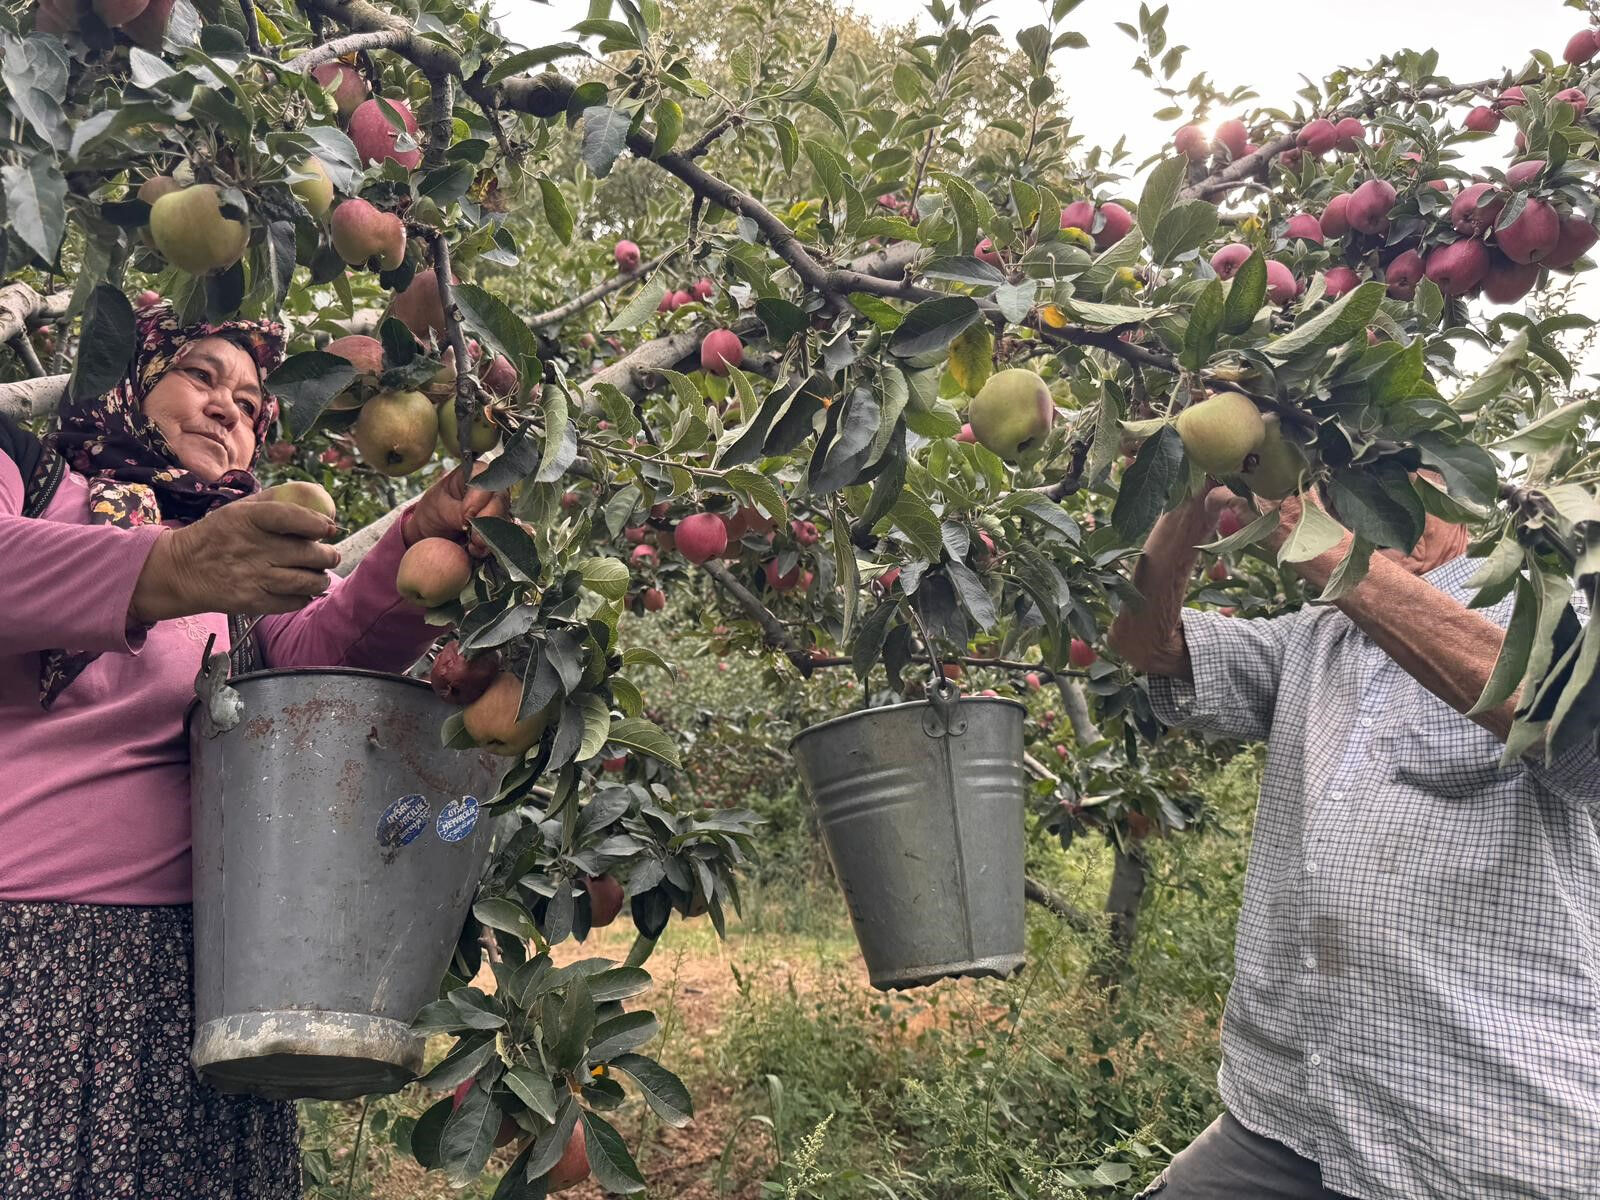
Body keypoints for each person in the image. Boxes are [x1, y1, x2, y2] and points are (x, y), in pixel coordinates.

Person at [0, 302, 506, 1198]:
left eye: (249, 401)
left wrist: (414, 545)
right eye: (200, 375)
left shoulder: (233, 572)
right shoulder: (34, 480)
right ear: (131, 382)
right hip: (33, 956)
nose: (228, 406)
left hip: (208, 970)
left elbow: (306, 657)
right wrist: (165, 567)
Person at [1110, 482, 1599, 1200]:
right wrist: (1193, 484)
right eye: (1343, 481)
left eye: (1391, 476)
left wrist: (1317, 545)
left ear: (1456, 491)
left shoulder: (1549, 604)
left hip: (1481, 1132)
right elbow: (1143, 642)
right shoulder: (1314, 634)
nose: (1356, 498)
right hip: (1287, 1112)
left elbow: (1569, 725)